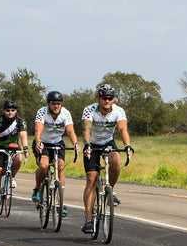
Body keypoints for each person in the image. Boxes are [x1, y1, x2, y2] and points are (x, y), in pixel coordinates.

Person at [80, 84, 134, 233]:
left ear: (113, 99)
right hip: (93, 143)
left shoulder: (118, 111)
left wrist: (128, 145)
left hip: (107, 142)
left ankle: (110, 191)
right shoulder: (89, 110)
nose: (107, 101)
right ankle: (89, 220)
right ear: (99, 98)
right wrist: (87, 144)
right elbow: (86, 129)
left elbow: (123, 129)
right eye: (104, 98)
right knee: (91, 179)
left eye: (110, 98)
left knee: (116, 159)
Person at [32, 90, 79, 217]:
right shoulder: (42, 112)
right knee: (43, 165)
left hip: (58, 143)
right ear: (48, 104)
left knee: (60, 167)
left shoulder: (65, 113)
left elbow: (70, 131)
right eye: (53, 103)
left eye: (59, 104)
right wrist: (38, 141)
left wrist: (75, 144)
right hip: (44, 143)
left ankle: (60, 202)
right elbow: (38, 129)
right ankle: (37, 189)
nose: (56, 106)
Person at [0, 99, 28, 209]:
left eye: (12, 110)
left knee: (19, 158)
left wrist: (25, 148)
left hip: (13, 147)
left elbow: (23, 135)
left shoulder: (20, 121)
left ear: (16, 111)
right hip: (0, 148)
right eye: (7, 110)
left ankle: (13, 176)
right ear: (4, 111)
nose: (10, 112)